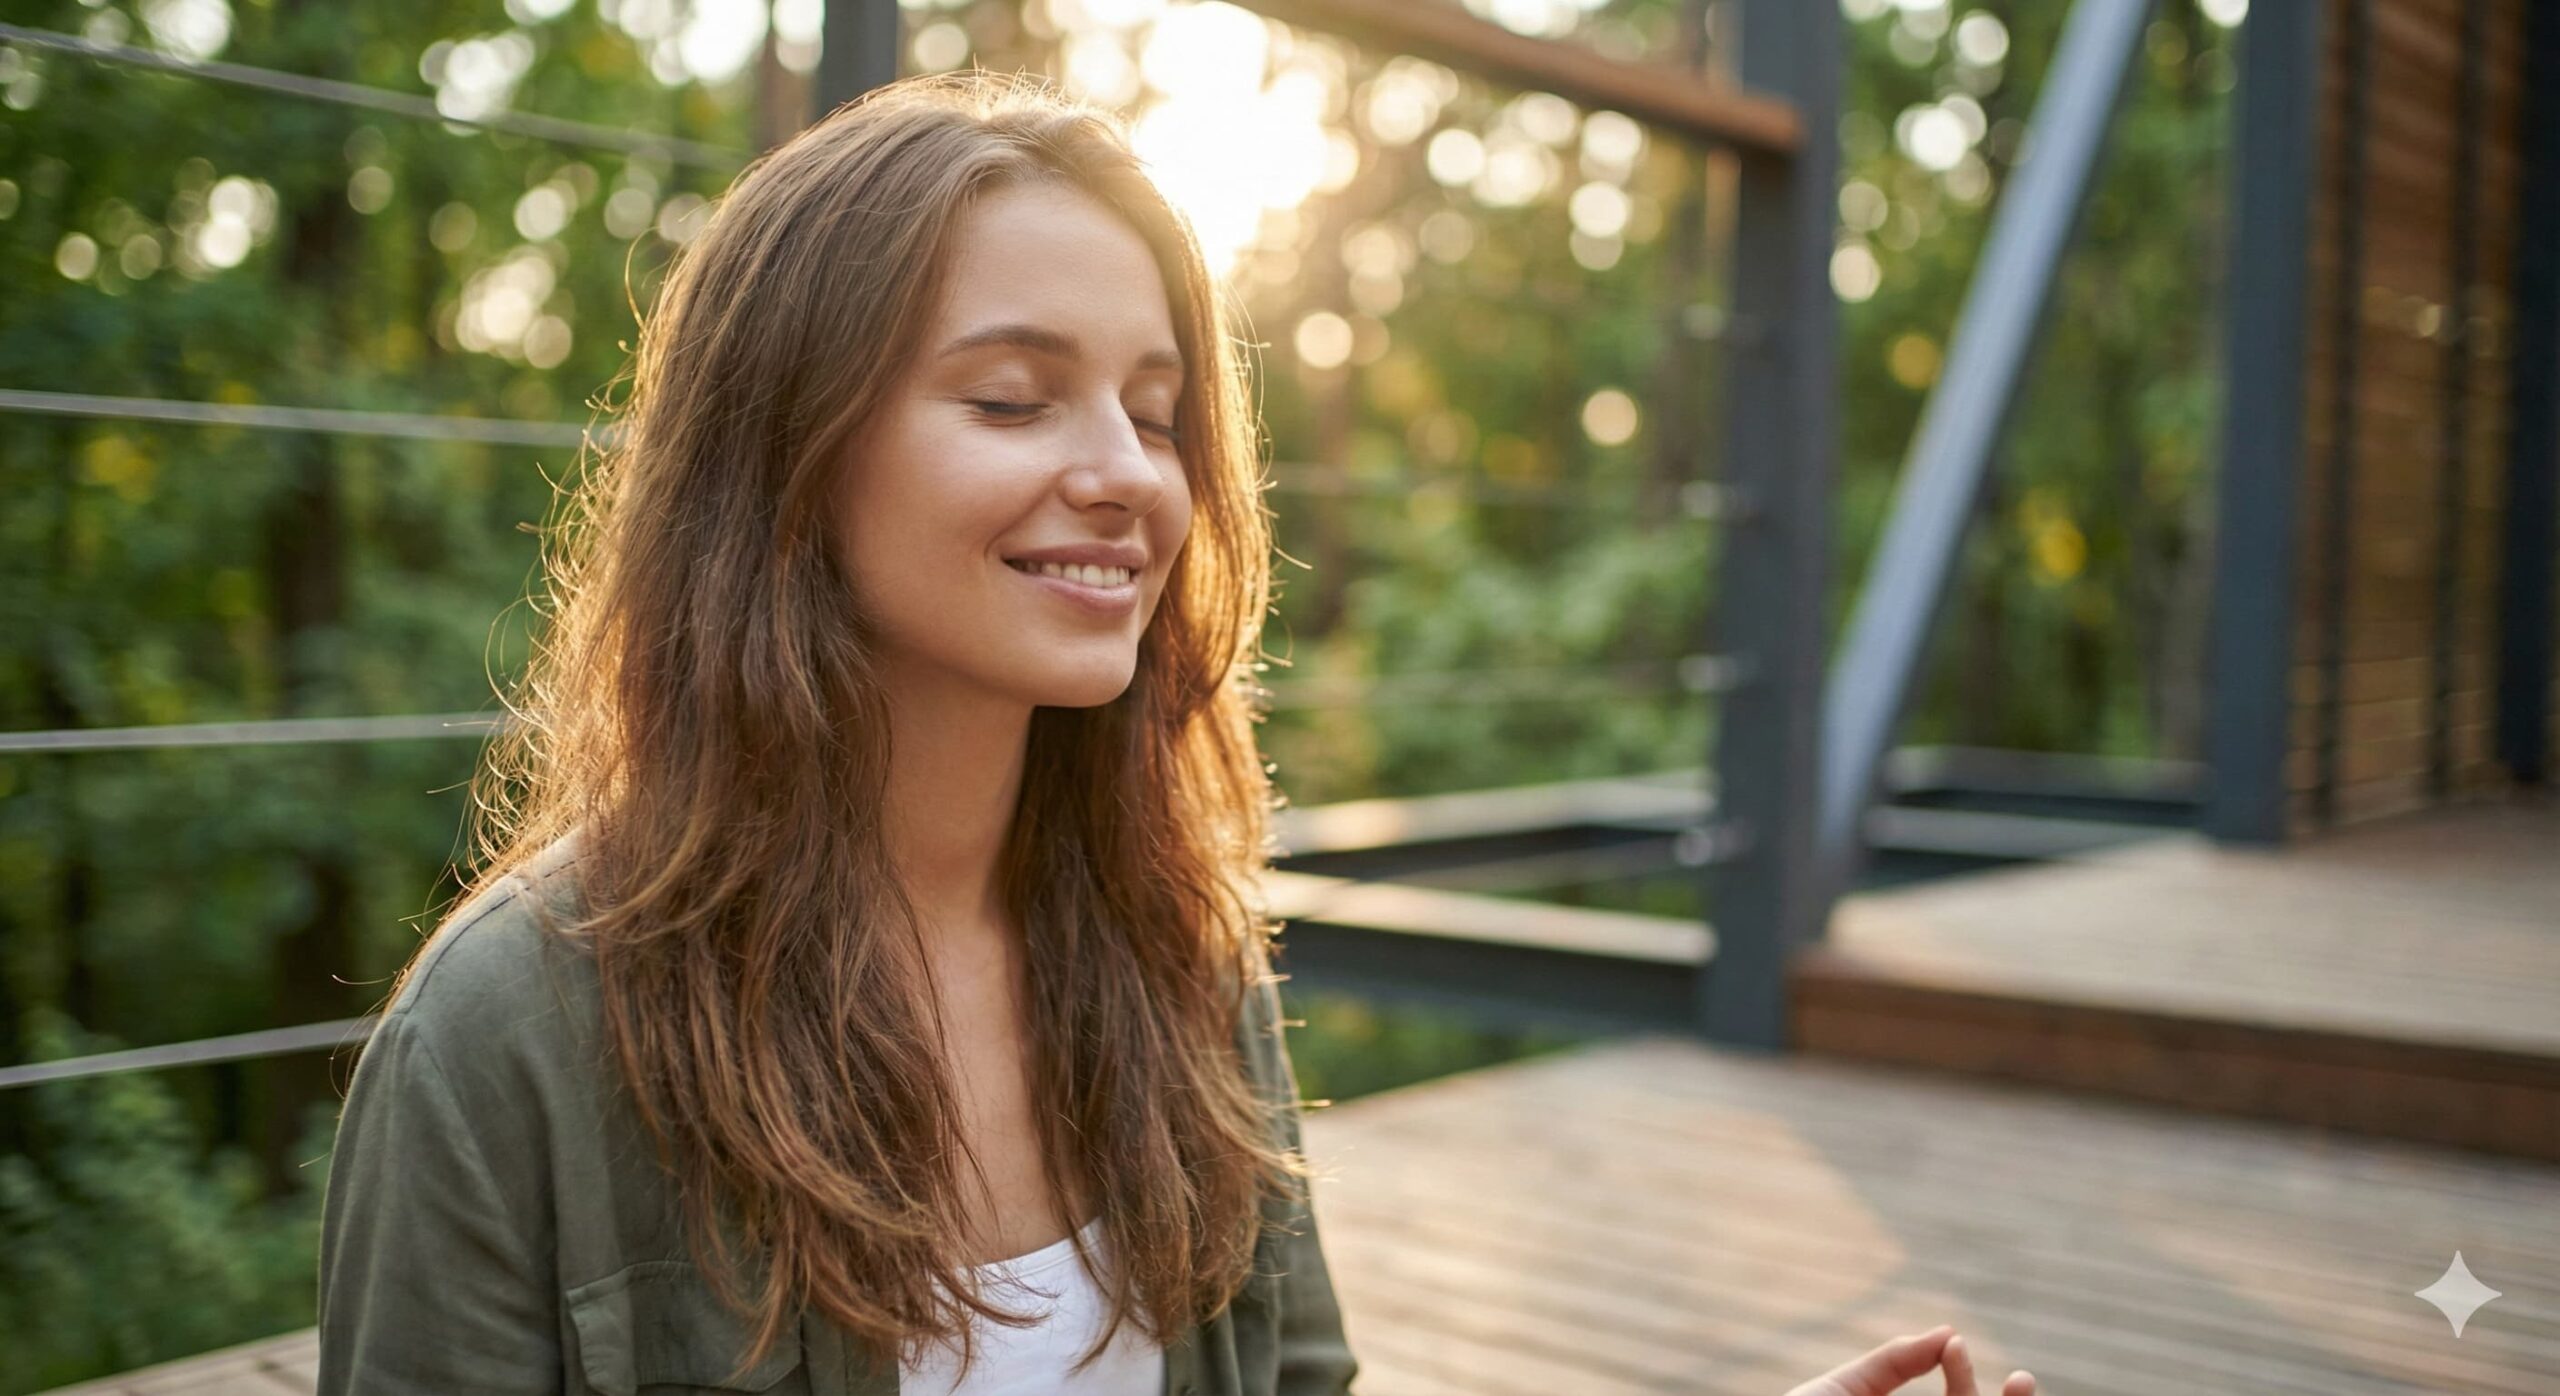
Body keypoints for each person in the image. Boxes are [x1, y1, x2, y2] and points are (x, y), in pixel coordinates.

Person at [315, 71, 2036, 1396]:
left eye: (1156, 411)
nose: (1131, 475)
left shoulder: (1175, 944)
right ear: (784, 454)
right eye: (1011, 398)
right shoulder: (508, 1043)